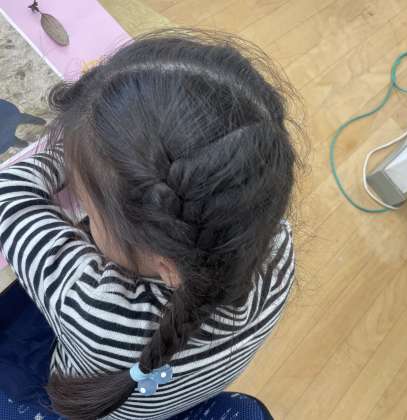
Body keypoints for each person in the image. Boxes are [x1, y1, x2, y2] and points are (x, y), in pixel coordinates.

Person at [0, 29, 297, 420]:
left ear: (165, 265)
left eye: (89, 206)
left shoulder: (98, 306)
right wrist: (99, 147)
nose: (85, 209)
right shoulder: (276, 244)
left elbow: (9, 193)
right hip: (171, 396)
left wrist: (78, 146)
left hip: (82, 400)